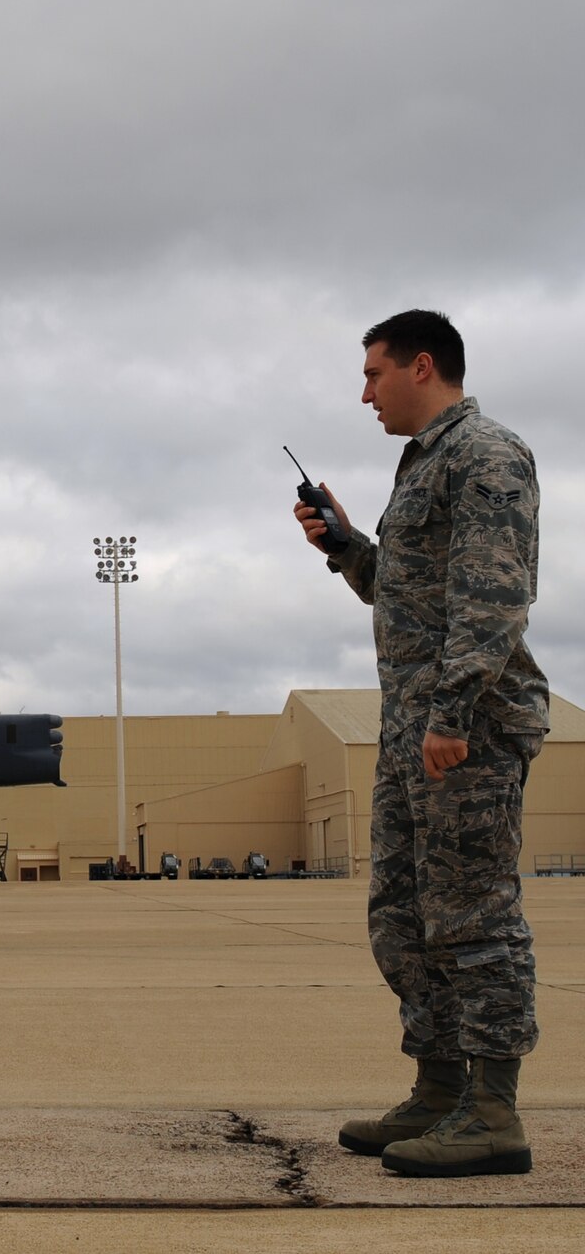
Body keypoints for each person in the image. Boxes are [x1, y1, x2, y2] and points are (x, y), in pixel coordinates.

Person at [295, 309, 546, 1178]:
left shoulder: (486, 456)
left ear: (423, 366)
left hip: (461, 732)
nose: (364, 392)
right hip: (413, 730)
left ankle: (494, 1110)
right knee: (403, 918)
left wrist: (450, 716)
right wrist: (347, 547)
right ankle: (440, 1087)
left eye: (373, 374)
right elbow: (405, 598)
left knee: (475, 916)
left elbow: (493, 600)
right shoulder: (422, 468)